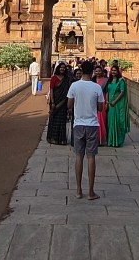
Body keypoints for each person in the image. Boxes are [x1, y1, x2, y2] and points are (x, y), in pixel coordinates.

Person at [67, 59, 105, 200]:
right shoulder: (97, 88)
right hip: (92, 124)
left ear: (81, 71)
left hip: (78, 124)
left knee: (79, 156)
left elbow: (69, 105)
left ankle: (78, 190)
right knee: (91, 157)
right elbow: (101, 108)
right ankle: (90, 192)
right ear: (93, 71)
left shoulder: (74, 86)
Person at [105, 63, 130, 147]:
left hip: (117, 104)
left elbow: (122, 92)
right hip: (110, 104)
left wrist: (115, 101)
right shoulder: (110, 80)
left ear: (118, 71)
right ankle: (111, 140)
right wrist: (107, 102)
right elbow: (107, 91)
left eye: (115, 70)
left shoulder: (121, 81)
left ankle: (117, 141)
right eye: (112, 70)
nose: (113, 72)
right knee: (111, 122)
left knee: (118, 121)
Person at [46, 62, 70, 145]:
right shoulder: (54, 78)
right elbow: (52, 89)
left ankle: (61, 139)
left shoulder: (67, 79)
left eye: (64, 68)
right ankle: (52, 138)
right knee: (53, 120)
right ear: (58, 68)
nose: (62, 69)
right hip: (55, 101)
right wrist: (52, 102)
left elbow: (68, 91)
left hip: (63, 102)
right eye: (61, 67)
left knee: (62, 120)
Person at [94, 65, 109, 145]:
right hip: (93, 102)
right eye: (96, 71)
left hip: (102, 101)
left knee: (102, 120)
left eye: (99, 71)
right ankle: (94, 138)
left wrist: (107, 103)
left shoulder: (106, 80)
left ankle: (102, 138)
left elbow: (106, 92)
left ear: (102, 72)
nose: (98, 72)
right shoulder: (92, 80)